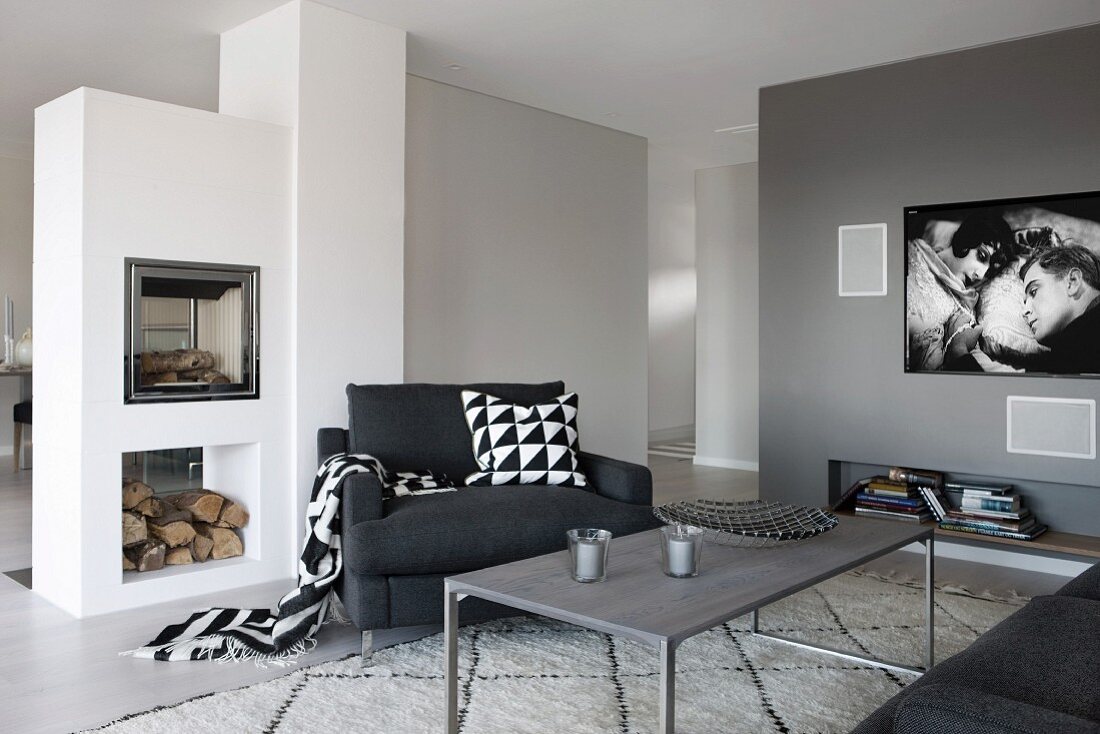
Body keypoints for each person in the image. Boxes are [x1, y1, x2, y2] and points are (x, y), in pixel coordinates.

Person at [907, 213, 1016, 371]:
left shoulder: (963, 305)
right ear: (966, 239)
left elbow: (976, 360)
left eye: (990, 271)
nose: (981, 274)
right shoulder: (911, 250)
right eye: (982, 255)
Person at [1019, 244, 1100, 373]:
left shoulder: (1066, 361)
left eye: (1033, 292)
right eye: (1025, 301)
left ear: (1073, 281)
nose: (1025, 311)